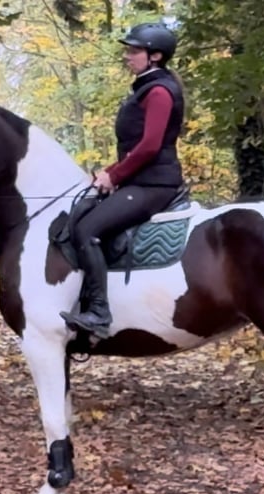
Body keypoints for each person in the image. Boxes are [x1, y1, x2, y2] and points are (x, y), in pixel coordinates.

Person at [60, 22, 186, 338]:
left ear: (155, 56)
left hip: (154, 185)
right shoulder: (147, 87)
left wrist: (115, 175)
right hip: (141, 180)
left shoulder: (158, 91)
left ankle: (99, 314)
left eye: (134, 51)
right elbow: (135, 148)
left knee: (87, 230)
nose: (128, 56)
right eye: (128, 51)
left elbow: (150, 146)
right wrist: (108, 172)